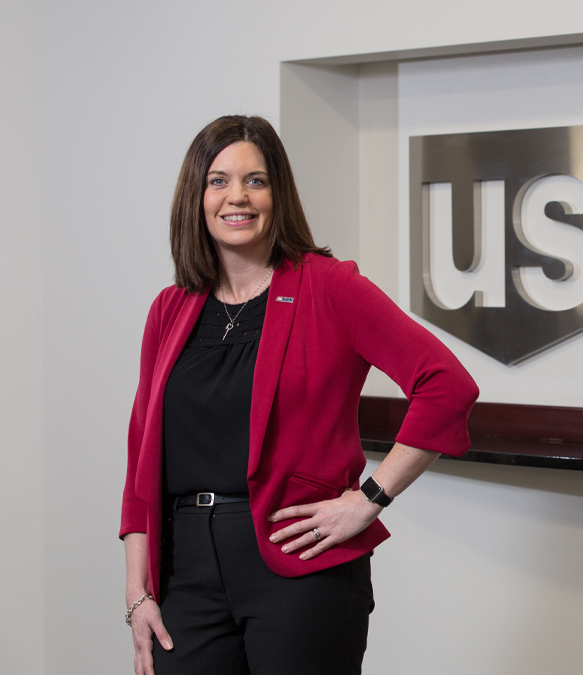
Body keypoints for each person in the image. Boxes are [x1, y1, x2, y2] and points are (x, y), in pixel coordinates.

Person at [119, 115, 479, 675]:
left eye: (255, 180)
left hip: (298, 568)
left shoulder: (329, 287)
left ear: (277, 193)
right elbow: (142, 452)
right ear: (196, 196)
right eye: (218, 181)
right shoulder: (170, 309)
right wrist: (137, 591)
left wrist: (368, 499)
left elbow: (446, 386)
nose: (236, 196)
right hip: (185, 568)